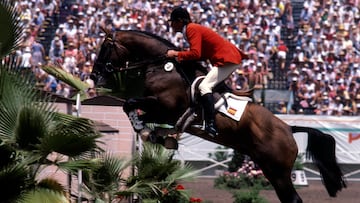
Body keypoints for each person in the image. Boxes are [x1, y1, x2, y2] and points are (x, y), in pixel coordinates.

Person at [166, 7, 247, 137]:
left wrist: (176, 53)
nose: (171, 24)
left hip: (227, 59)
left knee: (204, 87)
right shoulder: (190, 29)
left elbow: (196, 53)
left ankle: (211, 125)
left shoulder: (191, 29)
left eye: (173, 21)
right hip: (225, 58)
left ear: (180, 21)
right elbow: (199, 54)